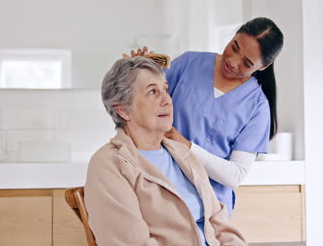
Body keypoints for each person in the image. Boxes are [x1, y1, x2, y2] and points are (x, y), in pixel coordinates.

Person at [128, 17, 284, 215]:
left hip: (208, 207)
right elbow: (143, 105)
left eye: (247, 63)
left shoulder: (257, 107)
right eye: (234, 47)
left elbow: (235, 175)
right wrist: (137, 73)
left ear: (263, 66)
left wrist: (187, 148)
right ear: (233, 36)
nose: (233, 62)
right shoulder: (188, 63)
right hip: (158, 187)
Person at [84, 57, 246, 246]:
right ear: (123, 110)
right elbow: (133, 243)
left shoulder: (181, 153)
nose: (167, 100)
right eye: (153, 92)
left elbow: (219, 222)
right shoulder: (109, 165)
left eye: (166, 90)